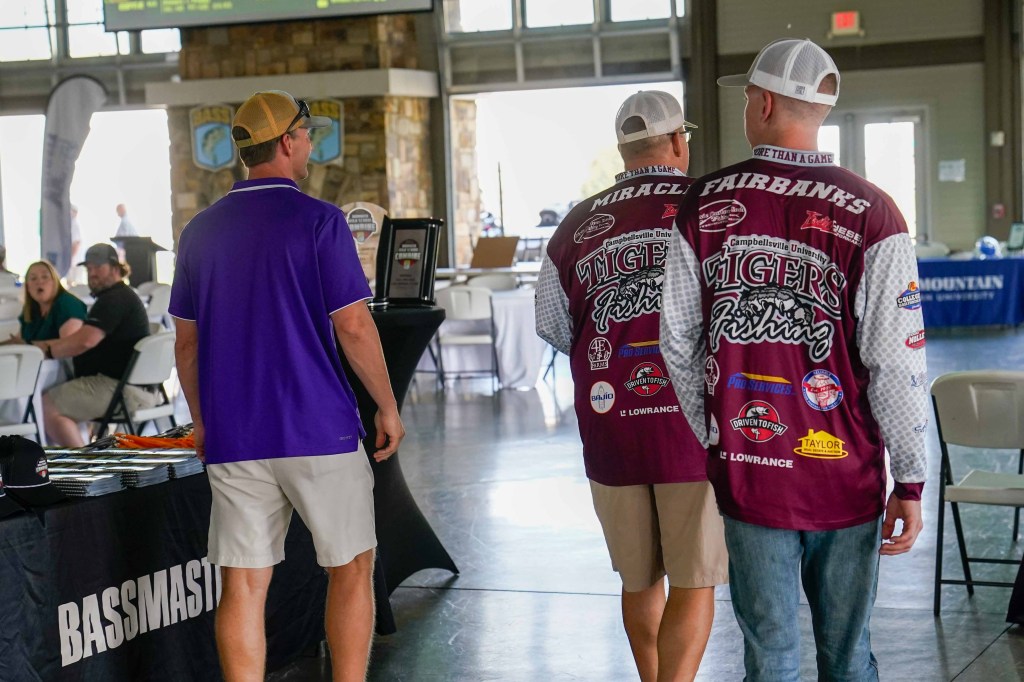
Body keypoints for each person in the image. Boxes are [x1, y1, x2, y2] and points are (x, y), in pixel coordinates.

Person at [660, 39, 928, 681]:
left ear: (763, 103)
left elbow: (676, 340)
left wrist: (716, 434)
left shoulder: (703, 203)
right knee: (848, 657)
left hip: (752, 472)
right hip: (846, 475)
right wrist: (911, 480)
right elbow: (897, 362)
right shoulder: (875, 211)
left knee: (771, 658)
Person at [169, 89, 405, 681]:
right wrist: (387, 405)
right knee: (351, 566)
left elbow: (186, 344)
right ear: (287, 142)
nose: (309, 145)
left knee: (244, 584)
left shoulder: (199, 232)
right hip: (318, 427)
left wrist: (202, 421)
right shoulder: (320, 220)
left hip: (235, 434)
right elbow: (354, 326)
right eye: (306, 134)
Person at [536, 90, 728, 682]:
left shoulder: (576, 224)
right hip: (691, 429)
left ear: (623, 149)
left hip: (610, 424)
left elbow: (552, 327)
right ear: (677, 142)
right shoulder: (711, 207)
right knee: (694, 579)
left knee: (638, 577)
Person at [35, 244, 155, 447]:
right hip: (136, 387)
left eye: (98, 267)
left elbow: (85, 341)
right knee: (63, 395)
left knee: (45, 407)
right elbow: (81, 338)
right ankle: (90, 450)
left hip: (121, 390)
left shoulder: (114, 299)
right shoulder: (122, 296)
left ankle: (84, 462)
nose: (92, 274)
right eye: (89, 268)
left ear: (115, 268)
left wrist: (48, 350)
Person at [3, 261, 86, 344]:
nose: (39, 282)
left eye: (45, 277)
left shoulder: (68, 304)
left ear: (55, 282)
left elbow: (68, 345)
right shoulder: (31, 308)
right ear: (28, 287)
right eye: (33, 278)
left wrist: (28, 345)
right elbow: (18, 340)